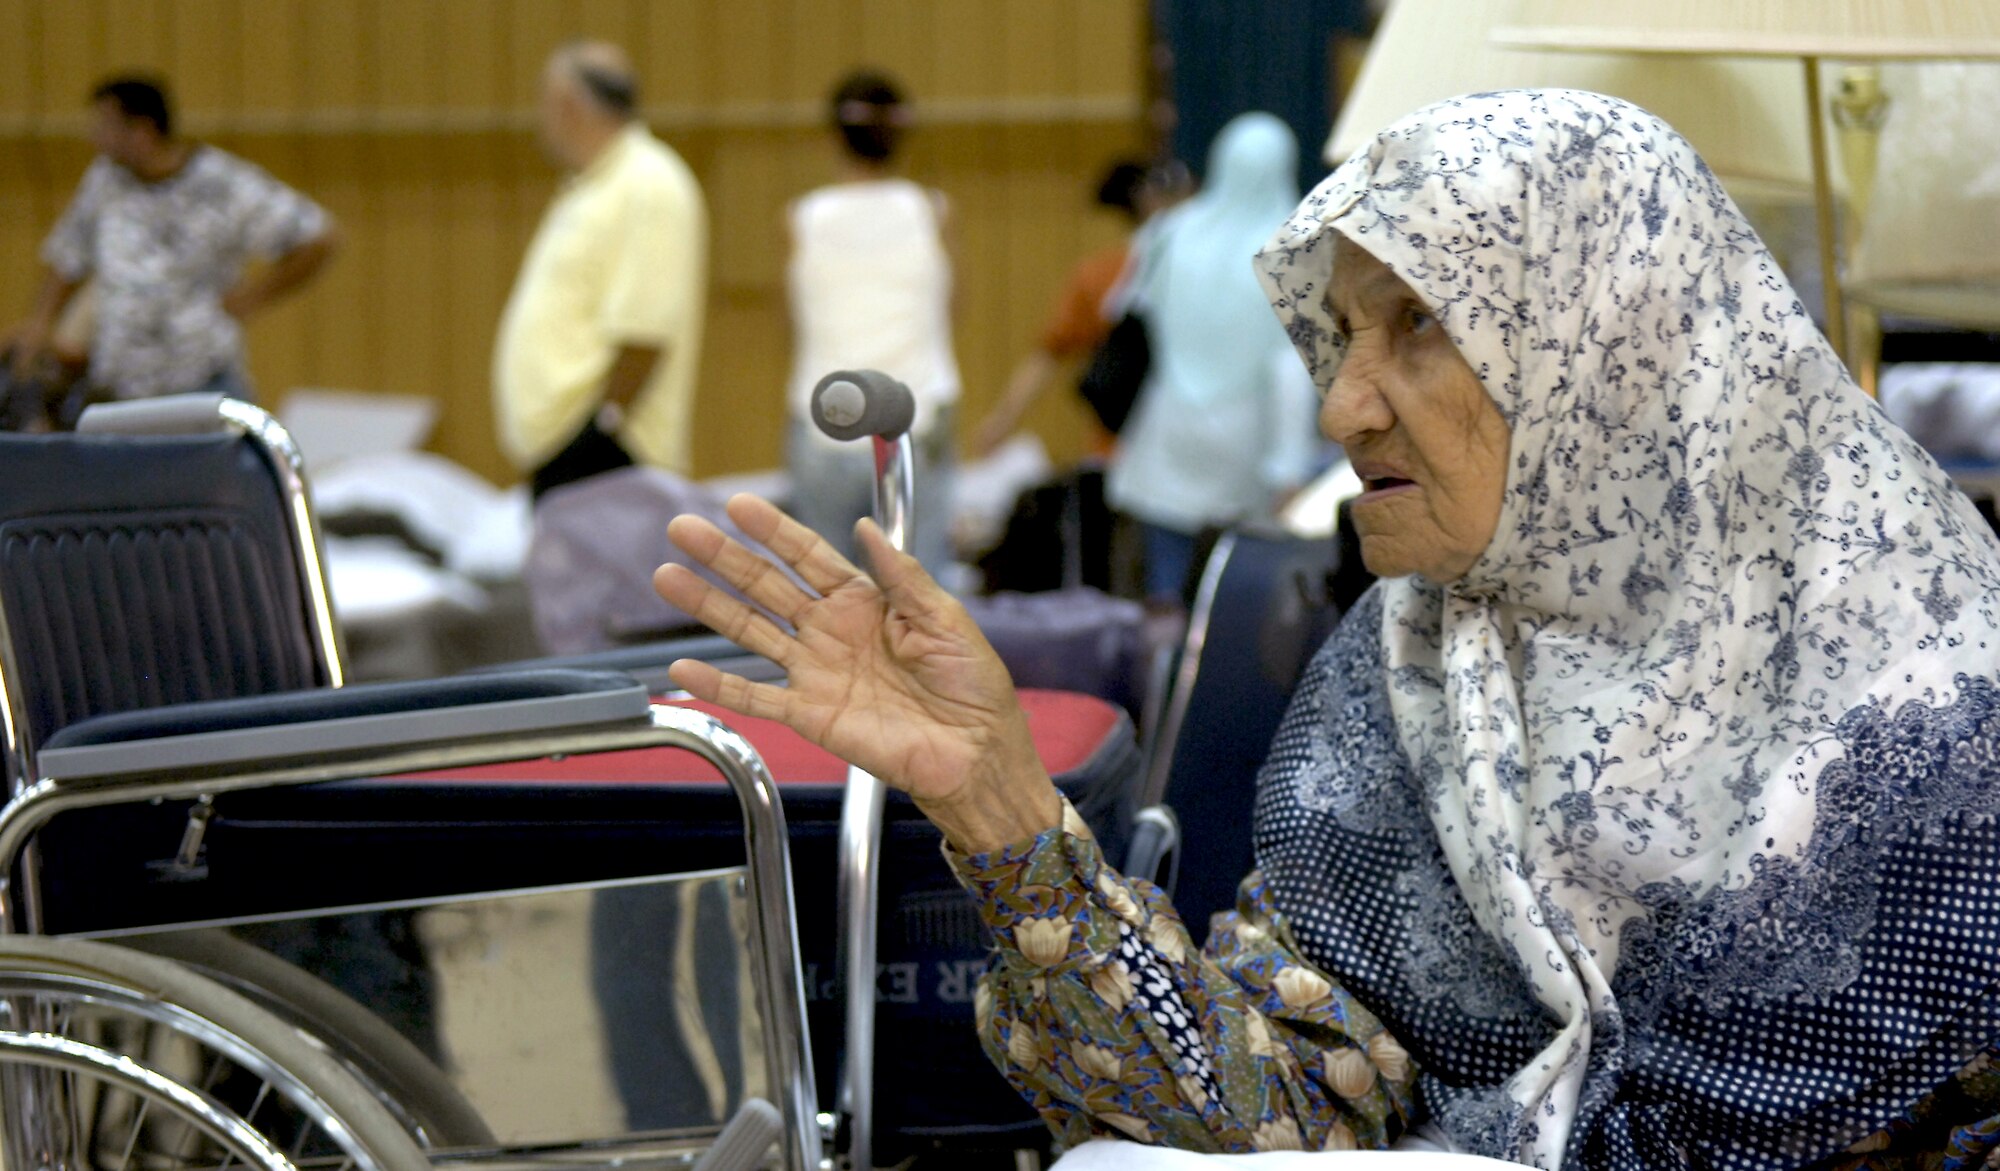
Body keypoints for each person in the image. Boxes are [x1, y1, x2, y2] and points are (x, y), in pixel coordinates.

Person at [653, 89, 2000, 1169]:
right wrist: (1000, 799)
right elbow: (1279, 1107)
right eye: (1346, 334)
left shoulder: (1941, 705)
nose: (1344, 404)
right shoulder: (1411, 676)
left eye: (1420, 325)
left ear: (1617, 350)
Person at [5, 76, 338, 402]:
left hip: (198, 374)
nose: (95, 138)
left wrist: (253, 297)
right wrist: (40, 323)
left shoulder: (222, 183)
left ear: (142, 130)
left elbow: (318, 237)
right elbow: (69, 255)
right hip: (118, 382)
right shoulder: (105, 179)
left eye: (105, 126)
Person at [1103, 112, 1322, 601]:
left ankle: (1164, 672)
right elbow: (1291, 368)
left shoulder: (1171, 231)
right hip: (1248, 443)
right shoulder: (1292, 248)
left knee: (1165, 589)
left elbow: (1119, 307)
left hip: (1166, 431)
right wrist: (1289, 464)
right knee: (1234, 595)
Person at [494, 42, 708, 502]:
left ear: (567, 105)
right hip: (575, 449)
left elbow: (646, 332)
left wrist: (600, 431)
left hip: (607, 456)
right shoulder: (597, 184)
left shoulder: (648, 183)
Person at [784, 70, 960, 573]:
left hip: (825, 420)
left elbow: (790, 317)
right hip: (915, 422)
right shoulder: (933, 211)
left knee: (826, 596)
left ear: (832, 138)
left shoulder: (802, 218)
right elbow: (953, 304)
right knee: (921, 597)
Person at [971, 159, 1157, 460]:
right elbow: (1049, 353)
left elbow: (1046, 357)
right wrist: (1001, 422)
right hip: (1154, 449)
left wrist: (1001, 421)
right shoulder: (1108, 277)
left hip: (1118, 451)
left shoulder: (1100, 276)